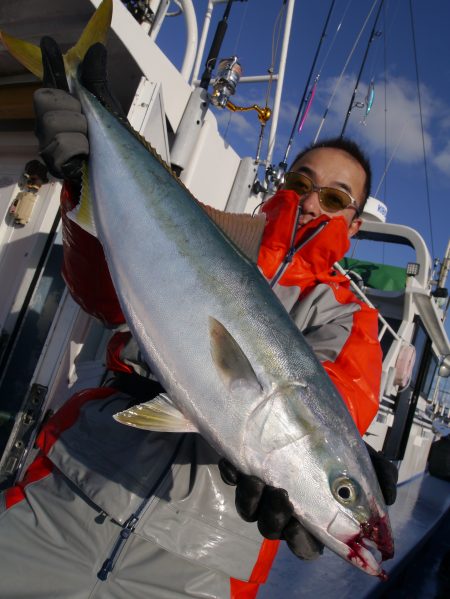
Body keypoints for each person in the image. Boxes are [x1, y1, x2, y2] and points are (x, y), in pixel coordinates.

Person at [0, 42, 397, 599]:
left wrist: (322, 489)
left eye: (333, 197)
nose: (310, 204)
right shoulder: (209, 238)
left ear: (353, 225)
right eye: (301, 184)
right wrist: (82, 182)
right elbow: (101, 299)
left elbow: (332, 410)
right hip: (73, 484)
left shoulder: (350, 318)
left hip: (201, 563)